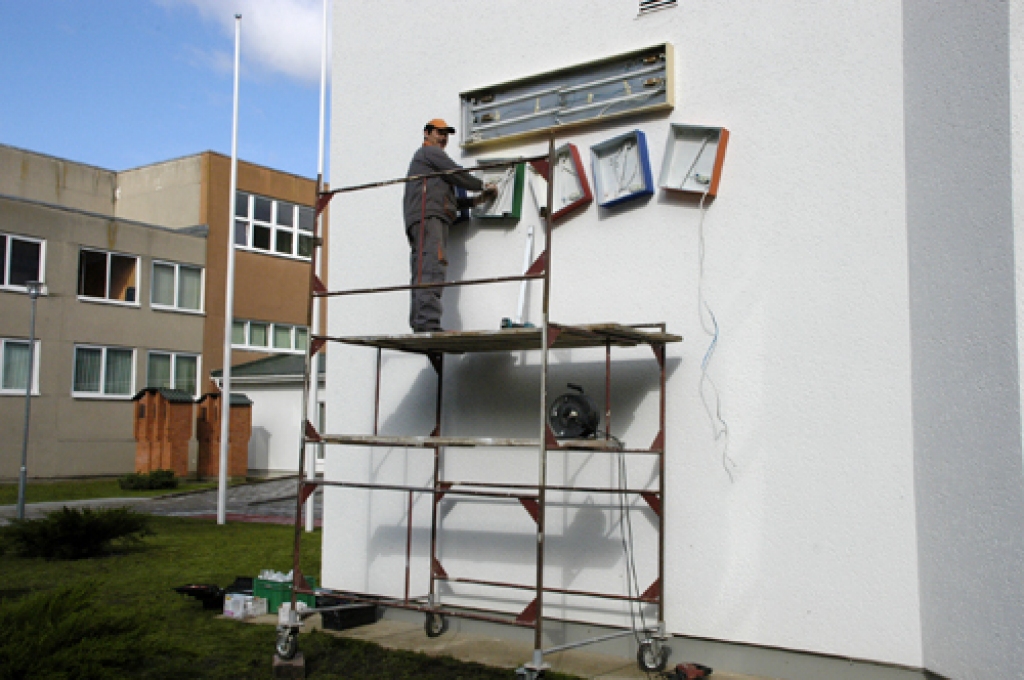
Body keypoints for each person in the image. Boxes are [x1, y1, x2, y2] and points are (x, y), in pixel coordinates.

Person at [403, 118, 496, 333]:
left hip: (424, 219)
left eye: (446, 134)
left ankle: (420, 322)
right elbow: (455, 173)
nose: (443, 137)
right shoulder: (430, 153)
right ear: (427, 133)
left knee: (423, 268)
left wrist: (476, 200)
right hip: (429, 219)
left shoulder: (431, 169)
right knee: (432, 266)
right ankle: (427, 323)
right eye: (439, 132)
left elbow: (449, 201)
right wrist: (482, 184)